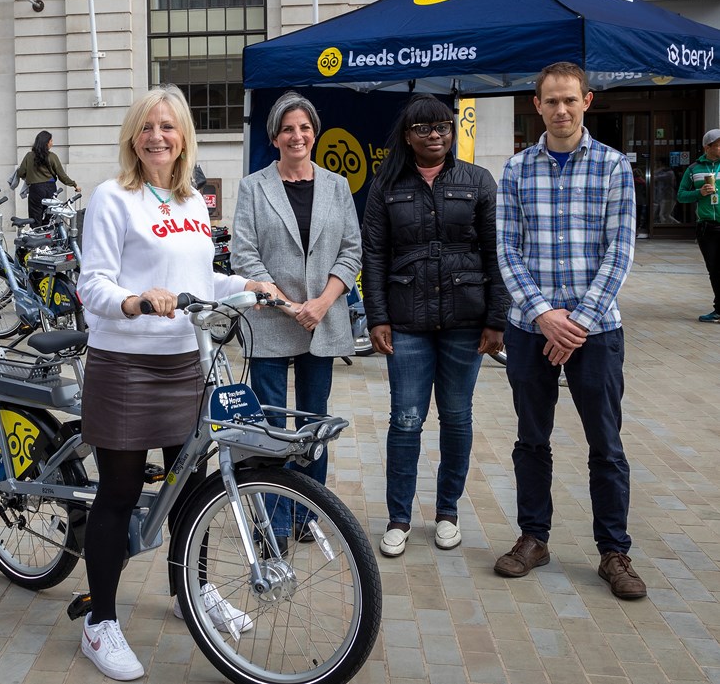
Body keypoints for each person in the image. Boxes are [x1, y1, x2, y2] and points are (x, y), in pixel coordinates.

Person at [75, 85, 273, 681]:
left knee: (189, 488)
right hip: (127, 363)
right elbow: (93, 285)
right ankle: (101, 623)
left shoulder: (191, 201)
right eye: (146, 127)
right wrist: (135, 301)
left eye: (168, 127)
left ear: (183, 136)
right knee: (119, 490)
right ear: (133, 137)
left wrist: (243, 286)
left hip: (186, 359)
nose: (157, 136)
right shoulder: (113, 197)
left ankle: (195, 590)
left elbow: (198, 277)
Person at [494, 61, 645, 600]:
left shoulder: (612, 168)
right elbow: (507, 250)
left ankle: (614, 550)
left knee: (605, 443)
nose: (560, 110)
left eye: (569, 101)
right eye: (550, 101)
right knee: (531, 440)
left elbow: (620, 250)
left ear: (587, 101)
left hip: (596, 331)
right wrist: (542, 315)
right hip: (530, 330)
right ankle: (533, 537)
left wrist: (576, 322)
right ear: (536, 105)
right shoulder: (515, 170)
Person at [361, 93, 508, 557]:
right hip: (406, 321)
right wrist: (377, 316)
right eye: (424, 129)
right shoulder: (387, 184)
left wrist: (497, 318)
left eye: (443, 127)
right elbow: (374, 255)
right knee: (405, 420)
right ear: (408, 136)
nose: (435, 136)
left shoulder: (478, 180)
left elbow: (497, 251)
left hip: (466, 319)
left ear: (452, 131)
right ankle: (399, 518)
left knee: (457, 416)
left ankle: (448, 513)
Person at [231, 90, 360, 545]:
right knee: (269, 425)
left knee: (313, 421)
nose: (297, 135)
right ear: (275, 136)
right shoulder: (253, 186)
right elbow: (244, 255)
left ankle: (307, 514)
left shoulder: (337, 187)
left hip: (321, 320)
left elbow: (351, 252)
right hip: (270, 320)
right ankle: (273, 524)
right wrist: (288, 304)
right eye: (288, 128)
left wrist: (321, 303)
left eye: (304, 127)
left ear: (314, 133)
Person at [677, 129, 720, 322]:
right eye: (719, 144)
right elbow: (681, 195)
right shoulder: (693, 169)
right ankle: (718, 309)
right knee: (714, 269)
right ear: (708, 147)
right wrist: (699, 193)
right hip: (706, 227)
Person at [16, 130, 80, 225]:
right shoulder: (52, 157)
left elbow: (21, 173)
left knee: (35, 217)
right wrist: (74, 185)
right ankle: (47, 235)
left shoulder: (29, 156)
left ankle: (36, 236)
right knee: (49, 216)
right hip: (50, 188)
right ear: (46, 143)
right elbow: (62, 175)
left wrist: (30, 175)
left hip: (35, 189)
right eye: (51, 141)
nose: (52, 143)